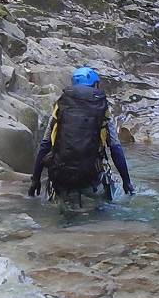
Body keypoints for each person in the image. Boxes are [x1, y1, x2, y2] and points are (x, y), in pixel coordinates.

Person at [28, 66, 134, 201]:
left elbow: (45, 144)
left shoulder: (61, 105)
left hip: (60, 176)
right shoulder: (102, 106)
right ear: (95, 84)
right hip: (91, 176)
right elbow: (115, 147)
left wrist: (35, 179)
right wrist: (126, 181)